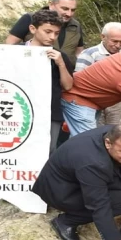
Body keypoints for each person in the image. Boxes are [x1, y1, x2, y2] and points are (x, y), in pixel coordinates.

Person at [25, 9, 74, 153]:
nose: (52, 37)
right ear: (33, 29)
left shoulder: (60, 56)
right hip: (19, 109)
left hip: (50, 113)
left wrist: (61, 64)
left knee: (48, 149)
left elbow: (68, 86)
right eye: (48, 31)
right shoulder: (15, 51)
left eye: (56, 33)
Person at [5, 0, 84, 65]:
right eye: (65, 9)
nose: (69, 14)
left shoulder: (76, 25)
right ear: (51, 5)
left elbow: (79, 52)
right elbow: (9, 45)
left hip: (65, 75)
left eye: (73, 10)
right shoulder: (30, 18)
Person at [75, 22, 121, 126]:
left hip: (115, 103)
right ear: (103, 37)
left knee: (114, 133)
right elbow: (78, 80)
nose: (118, 45)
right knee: (95, 133)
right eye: (114, 41)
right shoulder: (90, 54)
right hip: (92, 101)